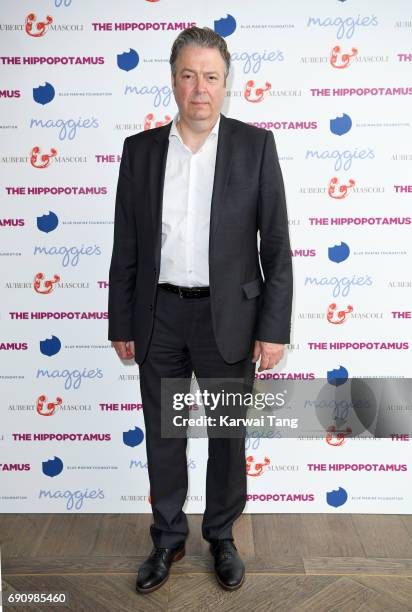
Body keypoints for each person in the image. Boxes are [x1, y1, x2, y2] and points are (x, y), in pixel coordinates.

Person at [108, 26, 293, 594]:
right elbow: (127, 245)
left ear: (226, 82)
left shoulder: (255, 146)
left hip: (229, 318)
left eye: (210, 77)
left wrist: (274, 329)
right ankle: (166, 539)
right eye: (188, 76)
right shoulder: (140, 152)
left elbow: (276, 245)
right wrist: (121, 321)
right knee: (163, 437)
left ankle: (221, 536)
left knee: (226, 435)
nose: (199, 89)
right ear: (173, 81)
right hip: (159, 316)